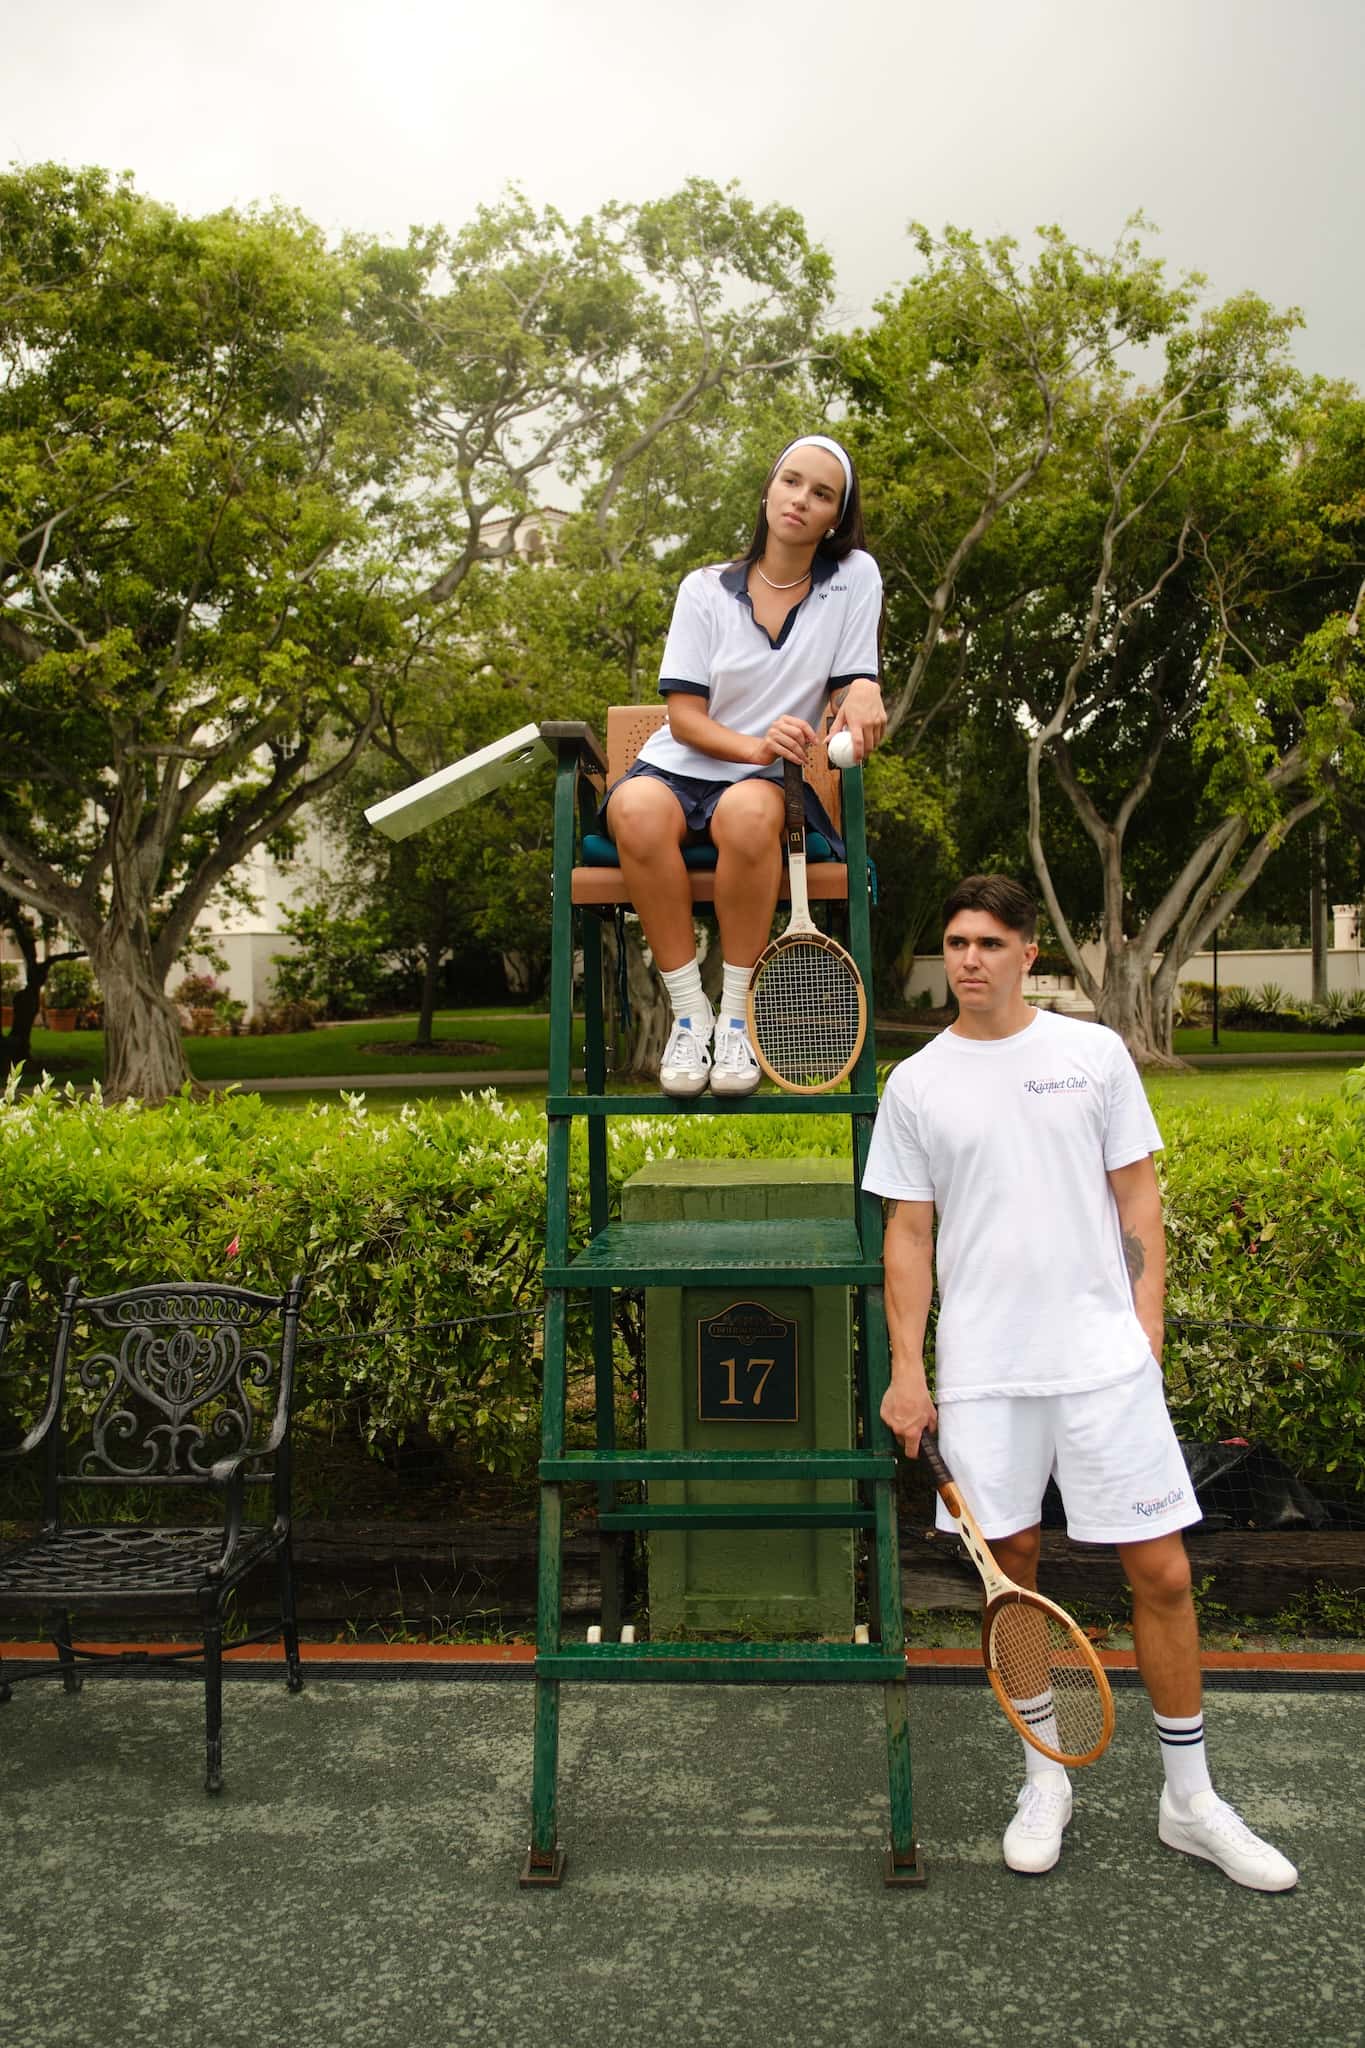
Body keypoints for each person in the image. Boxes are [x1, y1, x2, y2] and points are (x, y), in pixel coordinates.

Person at [863, 874, 1298, 1892]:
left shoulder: (1092, 1054)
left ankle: (1189, 1798)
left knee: (1165, 1574)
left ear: (1027, 953)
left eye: (988, 941)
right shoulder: (916, 1083)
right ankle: (1045, 1776)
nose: (968, 958)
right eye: (955, 941)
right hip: (985, 1376)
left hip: (1104, 1368)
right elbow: (908, 1234)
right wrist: (906, 1370)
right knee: (1012, 1578)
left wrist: (1143, 1328)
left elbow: (1136, 1192)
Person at [605, 434, 885, 1098]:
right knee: (635, 810)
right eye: (791, 482)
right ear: (767, 492)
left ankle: (734, 1018)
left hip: (762, 787)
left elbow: (850, 687)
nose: (800, 500)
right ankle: (689, 1016)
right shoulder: (702, 589)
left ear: (834, 519)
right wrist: (756, 745)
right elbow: (683, 719)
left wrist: (865, 688)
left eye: (822, 494)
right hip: (682, 766)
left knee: (749, 811)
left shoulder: (853, 578)